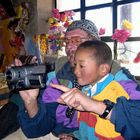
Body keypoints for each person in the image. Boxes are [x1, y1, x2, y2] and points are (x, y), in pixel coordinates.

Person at [5, 19, 140, 140]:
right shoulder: (58, 75)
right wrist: (30, 102)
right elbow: (37, 130)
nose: (69, 46)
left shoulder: (117, 76)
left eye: (76, 40)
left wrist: (95, 105)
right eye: (67, 41)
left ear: (95, 43)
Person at [51, 40, 130, 139]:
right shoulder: (85, 91)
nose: (75, 71)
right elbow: (87, 130)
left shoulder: (116, 95)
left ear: (103, 69)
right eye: (75, 65)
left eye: (82, 66)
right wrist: (74, 136)